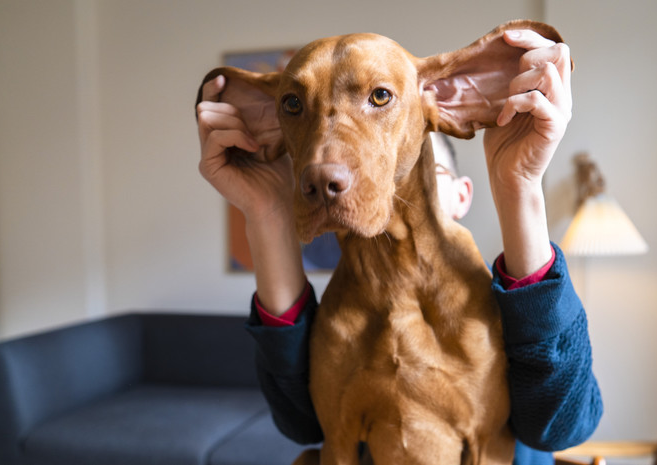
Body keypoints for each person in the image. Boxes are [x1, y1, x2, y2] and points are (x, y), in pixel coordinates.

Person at [196, 28, 602, 465]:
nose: (327, 164)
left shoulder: (491, 305)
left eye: (380, 97)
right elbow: (301, 424)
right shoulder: (340, 315)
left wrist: (518, 184)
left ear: (462, 194)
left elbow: (565, 426)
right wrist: (266, 212)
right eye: (293, 106)